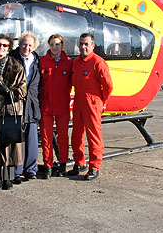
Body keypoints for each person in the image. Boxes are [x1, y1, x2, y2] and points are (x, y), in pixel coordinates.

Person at [0, 34, 27, 190]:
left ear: (9, 49)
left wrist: (9, 92)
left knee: (9, 145)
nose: (1, 48)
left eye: (5, 46)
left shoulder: (17, 66)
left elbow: (23, 89)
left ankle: (8, 177)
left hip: (9, 110)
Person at [67, 33, 113, 181]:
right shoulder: (76, 63)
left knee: (93, 136)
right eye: (81, 44)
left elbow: (108, 86)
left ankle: (94, 166)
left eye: (86, 44)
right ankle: (79, 163)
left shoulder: (98, 63)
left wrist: (101, 100)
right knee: (76, 135)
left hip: (93, 102)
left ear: (93, 46)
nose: (83, 47)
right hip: (79, 101)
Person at [39, 34, 72, 178]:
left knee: (63, 137)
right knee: (46, 138)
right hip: (46, 106)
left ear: (62, 46)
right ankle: (48, 166)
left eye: (57, 44)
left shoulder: (69, 62)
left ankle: (63, 164)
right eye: (52, 45)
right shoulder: (43, 61)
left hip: (62, 106)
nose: (54, 47)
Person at [9, 32, 41, 183]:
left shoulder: (37, 61)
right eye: (24, 44)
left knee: (32, 137)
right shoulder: (12, 58)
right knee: (16, 138)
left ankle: (31, 169)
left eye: (30, 45)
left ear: (34, 47)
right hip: (16, 103)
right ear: (19, 44)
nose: (26, 47)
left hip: (32, 104)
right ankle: (17, 169)